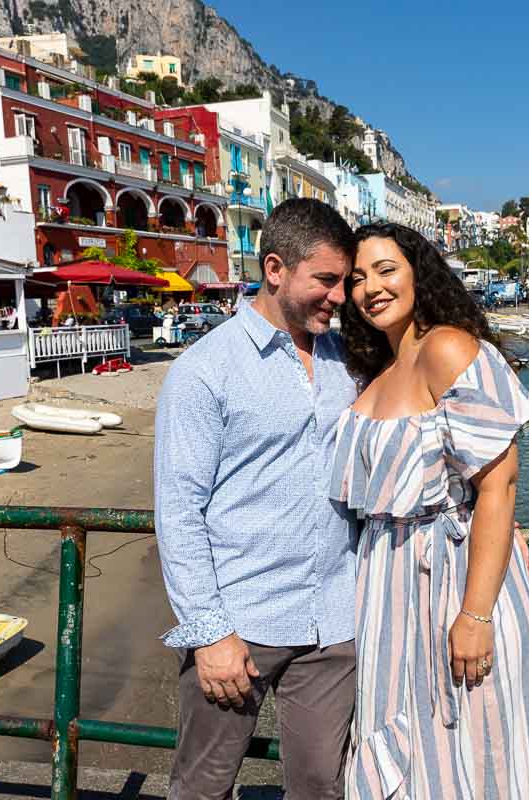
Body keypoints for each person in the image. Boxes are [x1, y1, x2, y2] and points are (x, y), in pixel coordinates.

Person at [331, 222, 529, 799]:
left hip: (451, 583)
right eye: (357, 278)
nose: (370, 288)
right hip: (386, 585)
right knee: (400, 743)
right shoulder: (375, 370)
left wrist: (475, 615)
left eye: (386, 270)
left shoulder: (447, 348)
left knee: (473, 749)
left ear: (419, 274)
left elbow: (499, 486)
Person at [154, 199, 360, 799]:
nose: (340, 296)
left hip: (334, 621)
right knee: (202, 786)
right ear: (276, 269)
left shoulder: (347, 361)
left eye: (344, 281)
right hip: (239, 622)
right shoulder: (204, 371)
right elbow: (179, 510)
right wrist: (209, 632)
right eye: (326, 280)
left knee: (323, 785)